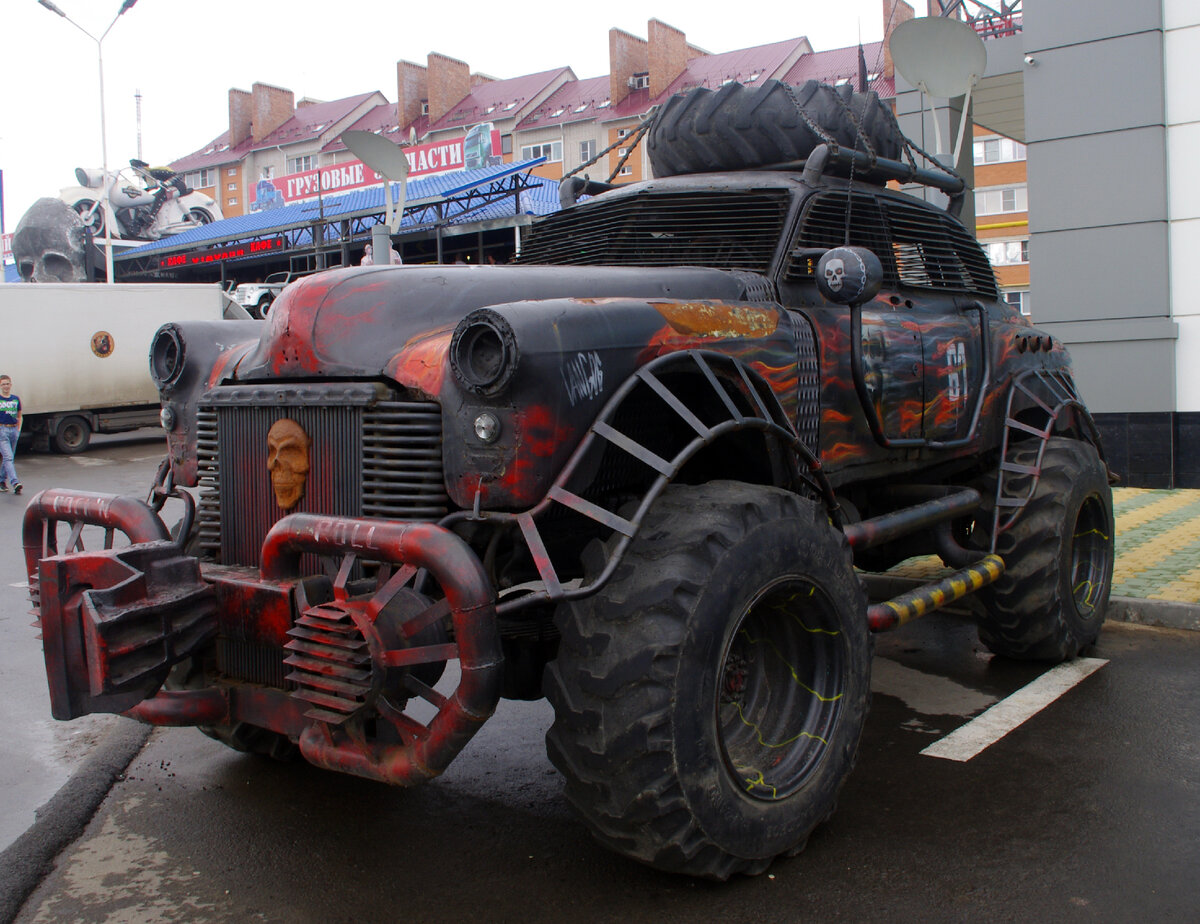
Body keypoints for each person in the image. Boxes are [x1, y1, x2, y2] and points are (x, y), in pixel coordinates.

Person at [0, 375, 22, 495]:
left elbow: (19, 415)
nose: (6, 386)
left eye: (7, 384)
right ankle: (15, 482)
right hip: (2, 430)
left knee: (8, 458)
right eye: (3, 384)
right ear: (0, 386)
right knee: (8, 458)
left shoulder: (15, 399)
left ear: (11, 385)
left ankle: (2, 481)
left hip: (13, 430)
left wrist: (18, 429)